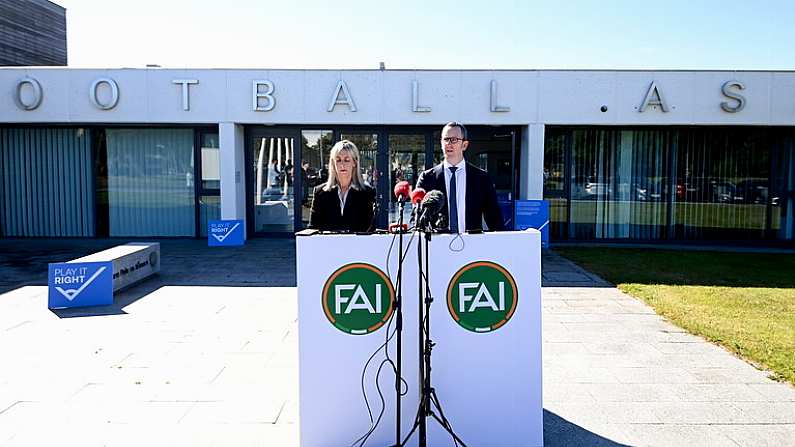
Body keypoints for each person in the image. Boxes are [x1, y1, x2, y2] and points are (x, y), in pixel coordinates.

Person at [415, 122, 504, 232]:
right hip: (436, 244)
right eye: (446, 139)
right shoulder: (427, 177)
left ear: (465, 145)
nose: (449, 143)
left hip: (472, 244)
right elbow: (418, 218)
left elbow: (494, 219)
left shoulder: (481, 178)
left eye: (454, 140)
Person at [308, 140, 376, 232]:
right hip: (326, 245)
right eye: (338, 160)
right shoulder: (320, 192)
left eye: (347, 160)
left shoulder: (367, 193)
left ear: (354, 163)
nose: (342, 164)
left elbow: (371, 229)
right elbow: (312, 228)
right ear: (333, 164)